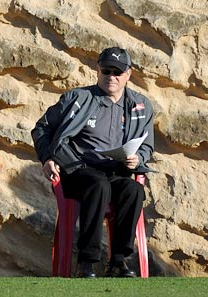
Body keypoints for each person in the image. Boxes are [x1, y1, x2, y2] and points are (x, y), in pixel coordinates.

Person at [31, 47, 154, 278]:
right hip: (78, 170)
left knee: (134, 190)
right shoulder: (77, 98)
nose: (112, 76)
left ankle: (118, 261)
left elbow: (147, 145)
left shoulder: (141, 105)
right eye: (106, 70)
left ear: (128, 74)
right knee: (98, 185)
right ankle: (86, 262)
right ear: (97, 71)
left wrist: (138, 158)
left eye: (118, 72)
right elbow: (42, 128)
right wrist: (47, 158)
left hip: (116, 171)